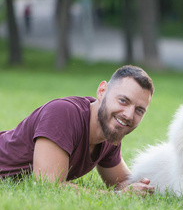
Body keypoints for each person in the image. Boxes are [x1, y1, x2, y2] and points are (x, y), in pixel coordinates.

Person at [0, 65, 155, 195]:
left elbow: (122, 182)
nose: (128, 115)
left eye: (139, 110)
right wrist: (118, 196)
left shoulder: (109, 132)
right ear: (102, 91)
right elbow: (48, 185)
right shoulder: (62, 113)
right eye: (123, 101)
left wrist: (147, 186)